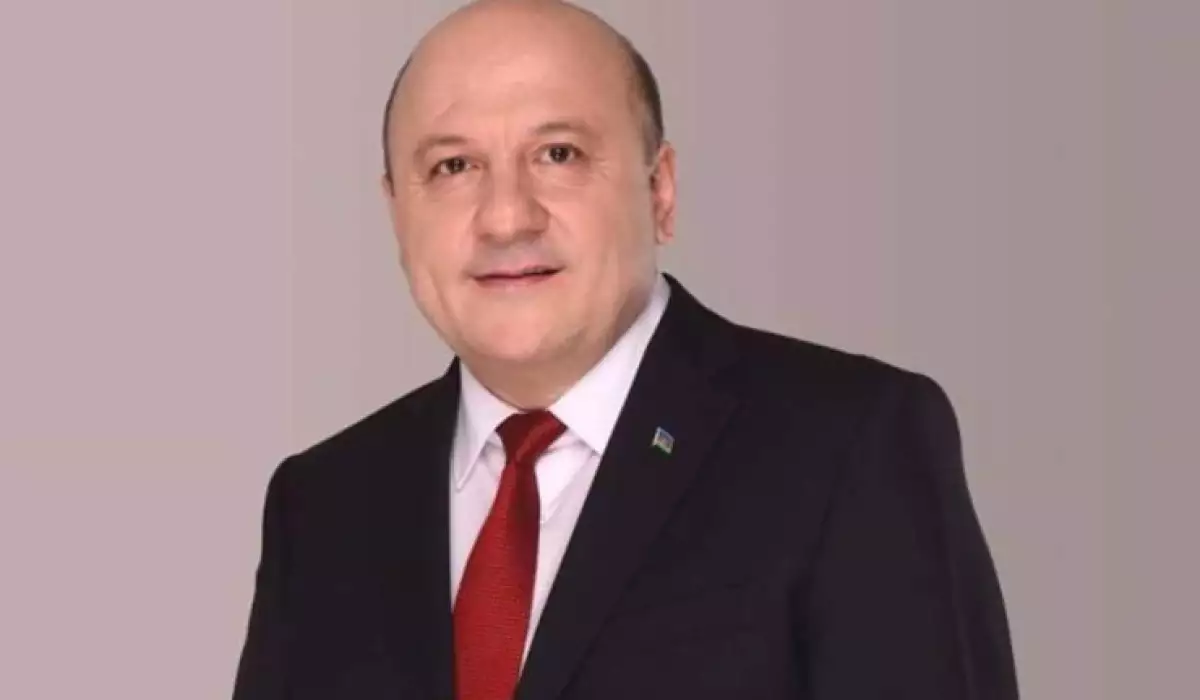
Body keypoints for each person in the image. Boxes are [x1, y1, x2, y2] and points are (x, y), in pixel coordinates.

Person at [232, 1, 1019, 698]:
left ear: (659, 189)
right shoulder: (322, 506)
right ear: (397, 213)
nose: (506, 216)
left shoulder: (848, 444)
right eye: (454, 166)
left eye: (559, 153)